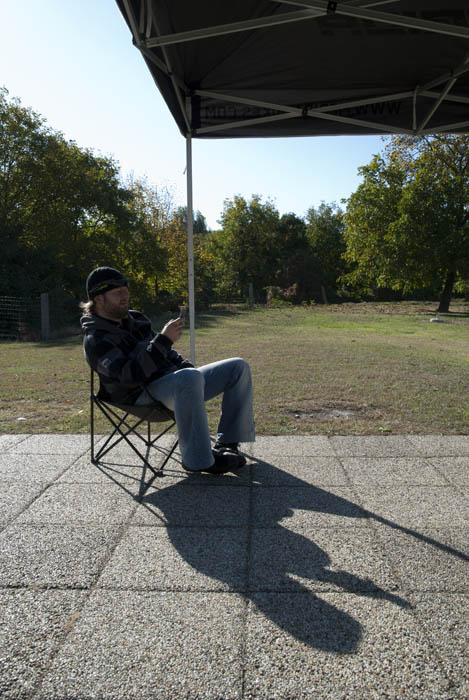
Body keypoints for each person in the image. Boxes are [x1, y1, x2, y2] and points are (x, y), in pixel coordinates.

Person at [80, 266, 255, 474]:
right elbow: (129, 376)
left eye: (126, 291)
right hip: (140, 396)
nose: (125, 296)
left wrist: (185, 368)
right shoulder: (96, 340)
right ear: (99, 299)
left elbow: (167, 353)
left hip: (176, 384)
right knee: (189, 377)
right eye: (118, 293)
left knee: (237, 367)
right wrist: (163, 340)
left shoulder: (136, 320)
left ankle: (227, 443)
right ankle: (199, 461)